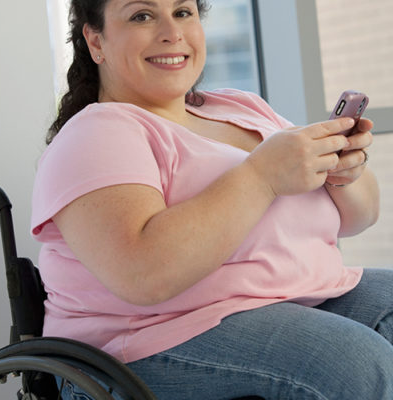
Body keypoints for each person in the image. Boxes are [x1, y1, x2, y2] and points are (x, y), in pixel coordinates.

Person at [31, 0, 393, 399]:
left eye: (183, 12)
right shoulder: (96, 132)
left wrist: (341, 172)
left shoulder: (241, 108)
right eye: (142, 15)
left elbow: (361, 217)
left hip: (295, 298)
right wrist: (262, 176)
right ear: (95, 40)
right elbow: (144, 275)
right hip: (149, 340)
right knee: (354, 362)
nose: (172, 32)